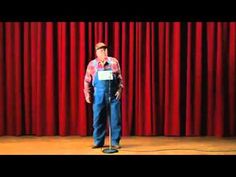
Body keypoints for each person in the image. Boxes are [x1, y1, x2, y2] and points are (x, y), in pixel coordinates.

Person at [84, 42, 123, 149]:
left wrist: (120, 90)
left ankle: (115, 142)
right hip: (99, 96)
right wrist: (87, 94)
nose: (104, 52)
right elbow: (87, 80)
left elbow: (120, 78)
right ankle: (98, 142)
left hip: (113, 95)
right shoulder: (92, 64)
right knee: (98, 119)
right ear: (96, 52)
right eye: (101, 50)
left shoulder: (114, 62)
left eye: (105, 49)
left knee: (115, 119)